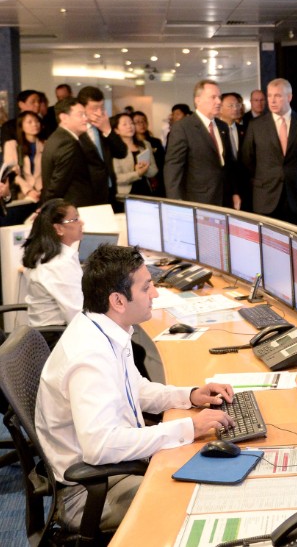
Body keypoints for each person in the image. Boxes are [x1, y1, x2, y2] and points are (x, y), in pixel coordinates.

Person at [36, 245, 235, 531]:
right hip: (90, 490)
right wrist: (189, 428)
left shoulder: (104, 327)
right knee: (196, 502)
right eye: (146, 288)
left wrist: (189, 395)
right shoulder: (89, 355)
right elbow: (99, 448)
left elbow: (135, 389)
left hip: (113, 469)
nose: (154, 294)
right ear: (118, 300)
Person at [239, 78, 297, 227]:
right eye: (270, 96)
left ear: (289, 97)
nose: (272, 100)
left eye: (278, 96)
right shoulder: (256, 125)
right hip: (266, 196)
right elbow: (247, 159)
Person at [163, 80, 239, 209]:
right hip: (198, 201)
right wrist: (175, 203)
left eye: (219, 97)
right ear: (198, 100)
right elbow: (173, 168)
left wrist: (234, 192)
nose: (219, 101)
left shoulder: (223, 127)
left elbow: (229, 164)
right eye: (213, 97)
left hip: (224, 200)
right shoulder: (183, 128)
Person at [21, 199, 84, 341]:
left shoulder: (46, 254)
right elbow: (76, 315)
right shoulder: (59, 264)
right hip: (56, 338)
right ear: (59, 228)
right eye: (75, 219)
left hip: (44, 334)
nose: (81, 223)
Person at [41, 98, 113, 207]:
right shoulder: (67, 142)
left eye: (85, 114)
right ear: (64, 118)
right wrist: (44, 208)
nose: (86, 119)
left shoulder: (58, 137)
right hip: (74, 207)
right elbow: (58, 182)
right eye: (80, 115)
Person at [76, 86, 128, 210]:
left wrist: (107, 130)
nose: (99, 113)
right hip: (87, 195)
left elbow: (122, 152)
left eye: (102, 108)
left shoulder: (104, 126)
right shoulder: (76, 130)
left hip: (109, 191)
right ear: (82, 108)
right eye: (94, 108)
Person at [111, 113, 157, 198]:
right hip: (125, 195)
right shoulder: (113, 149)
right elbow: (116, 178)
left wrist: (145, 169)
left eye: (131, 123)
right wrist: (137, 174)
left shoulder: (145, 145)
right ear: (116, 130)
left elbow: (154, 170)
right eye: (125, 124)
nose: (129, 126)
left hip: (145, 191)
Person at [4, 111, 44, 203]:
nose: (35, 124)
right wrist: (29, 191)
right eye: (29, 122)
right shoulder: (12, 145)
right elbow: (12, 173)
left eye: (37, 121)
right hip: (22, 192)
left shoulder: (45, 144)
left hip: (43, 191)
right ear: (21, 126)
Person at [132, 111, 166, 197]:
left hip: (158, 179)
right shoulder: (132, 144)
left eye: (144, 121)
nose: (142, 124)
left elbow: (162, 160)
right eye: (138, 122)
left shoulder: (155, 142)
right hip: (141, 181)